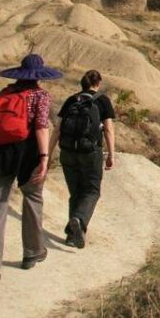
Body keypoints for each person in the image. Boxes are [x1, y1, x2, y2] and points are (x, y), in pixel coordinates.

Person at [0, 53, 60, 289]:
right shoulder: (40, 95)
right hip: (28, 151)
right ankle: (32, 252)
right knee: (33, 199)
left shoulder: (5, 93)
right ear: (39, 75)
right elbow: (40, 127)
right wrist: (45, 157)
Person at [50, 69, 116, 249]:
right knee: (92, 191)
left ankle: (72, 236)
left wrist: (48, 155)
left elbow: (57, 129)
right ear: (98, 83)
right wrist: (111, 154)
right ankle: (79, 220)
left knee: (76, 193)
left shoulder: (72, 100)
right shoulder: (102, 101)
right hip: (90, 153)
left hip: (68, 152)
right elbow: (108, 130)